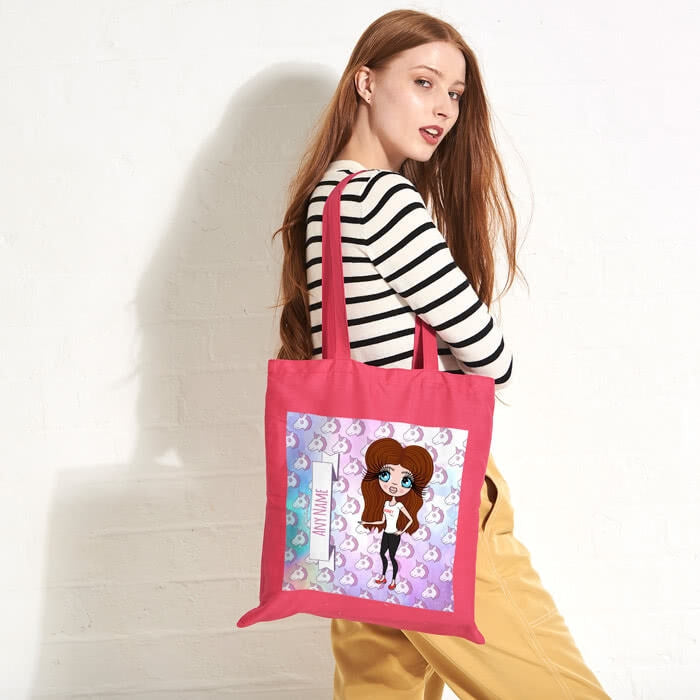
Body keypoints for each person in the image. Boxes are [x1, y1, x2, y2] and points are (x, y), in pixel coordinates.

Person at [271, 8, 611, 699]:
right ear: (366, 82)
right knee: (548, 683)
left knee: (377, 688)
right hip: (430, 485)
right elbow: (491, 358)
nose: (444, 109)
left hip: (351, 492)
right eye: (423, 82)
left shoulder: (323, 199)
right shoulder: (385, 199)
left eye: (454, 94)